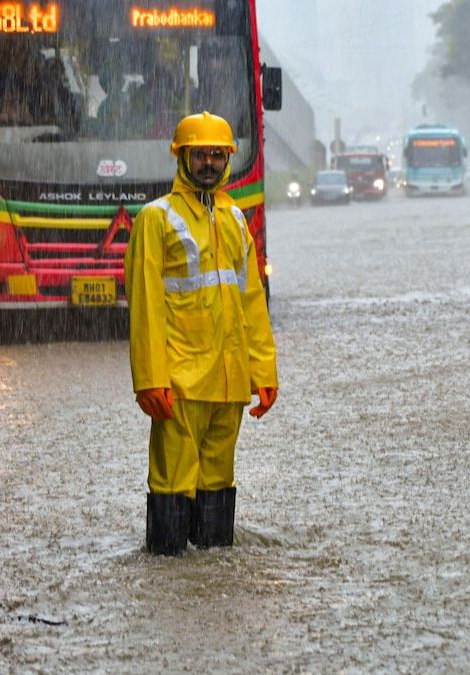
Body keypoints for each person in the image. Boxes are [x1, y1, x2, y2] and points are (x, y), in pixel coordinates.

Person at [125, 111, 278, 556]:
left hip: (228, 384)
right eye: (200, 155)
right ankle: (169, 568)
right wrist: (150, 378)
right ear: (181, 158)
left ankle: (209, 573)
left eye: (217, 155)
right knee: (172, 481)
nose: (209, 163)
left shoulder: (234, 219)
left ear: (228, 159)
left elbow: (252, 302)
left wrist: (263, 372)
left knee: (218, 482)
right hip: (180, 381)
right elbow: (146, 306)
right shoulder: (156, 219)